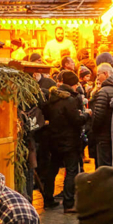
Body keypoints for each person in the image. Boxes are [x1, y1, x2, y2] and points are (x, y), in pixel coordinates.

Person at [43, 71, 88, 213]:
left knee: (52, 170)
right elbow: (76, 120)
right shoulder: (69, 100)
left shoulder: (52, 97)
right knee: (71, 170)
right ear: (73, 84)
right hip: (69, 141)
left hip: (53, 139)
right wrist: (87, 115)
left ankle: (48, 200)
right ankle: (68, 204)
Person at [89, 63, 113, 168]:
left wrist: (94, 130)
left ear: (106, 74)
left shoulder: (103, 92)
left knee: (103, 166)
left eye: (98, 75)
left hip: (103, 135)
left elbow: (98, 116)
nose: (97, 77)